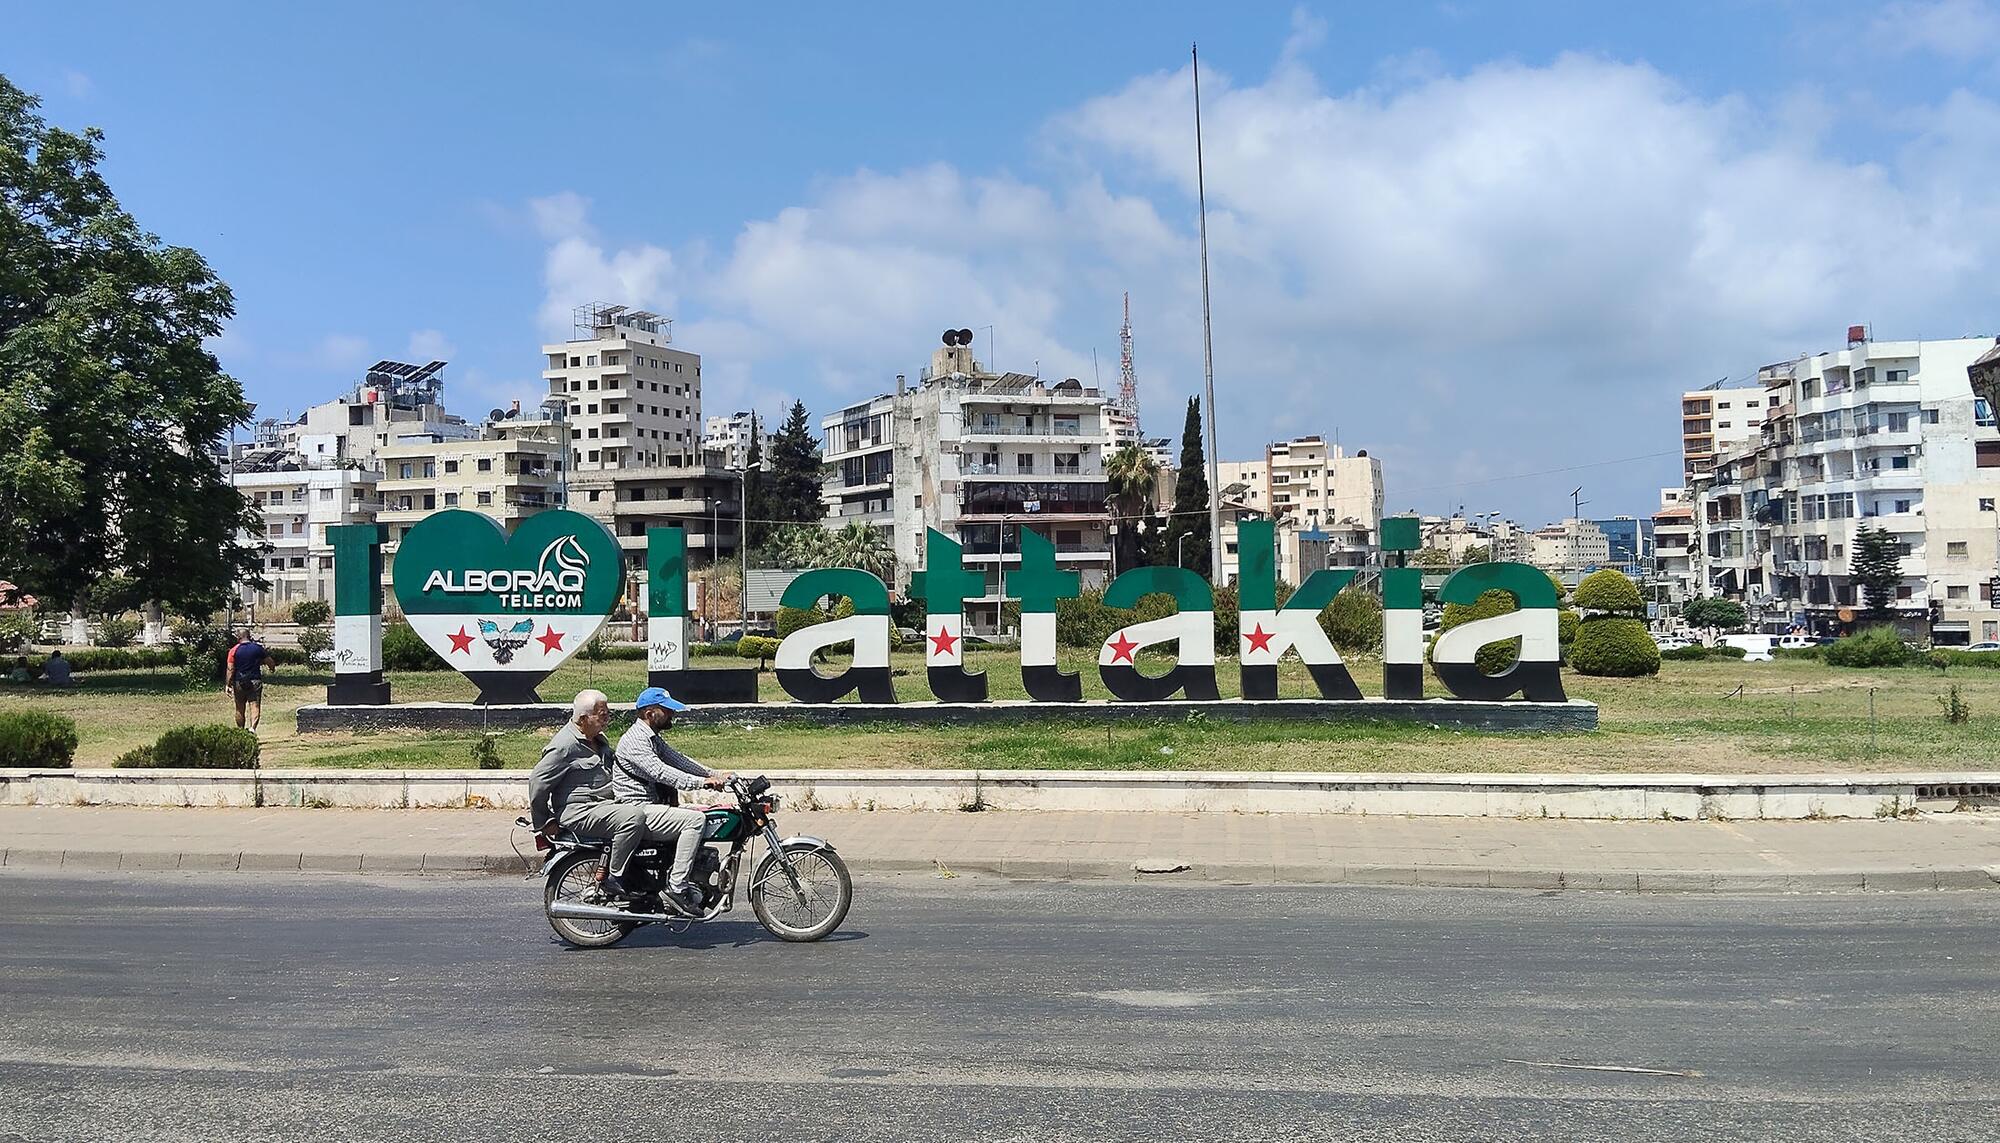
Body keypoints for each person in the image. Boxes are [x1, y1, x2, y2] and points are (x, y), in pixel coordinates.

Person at [613, 687, 733, 916]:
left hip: (650, 806)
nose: (672, 714)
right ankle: (677, 888)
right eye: (667, 710)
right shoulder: (636, 740)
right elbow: (661, 772)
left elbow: (678, 760)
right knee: (695, 821)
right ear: (649, 713)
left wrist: (716, 774)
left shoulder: (652, 738)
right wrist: (703, 783)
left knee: (704, 817)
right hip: (637, 809)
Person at [528, 690, 655, 904]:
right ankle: (616, 878)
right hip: (579, 811)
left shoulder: (597, 739)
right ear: (584, 718)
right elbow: (538, 783)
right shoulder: (565, 745)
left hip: (604, 806)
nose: (607, 720)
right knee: (633, 817)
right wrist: (544, 821)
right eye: (602, 715)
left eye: (608, 714)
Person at [224, 630, 268, 731]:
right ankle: (252, 729)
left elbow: (230, 669)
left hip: (239, 682)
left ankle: (241, 730)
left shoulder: (233, 650)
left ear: (238, 638)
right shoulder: (258, 648)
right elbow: (269, 661)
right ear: (249, 637)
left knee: (239, 708)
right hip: (255, 681)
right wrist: (272, 667)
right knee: (254, 705)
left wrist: (228, 684)